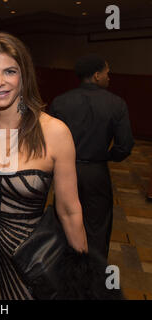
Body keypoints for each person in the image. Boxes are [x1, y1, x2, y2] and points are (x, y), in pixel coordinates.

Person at [0, 32, 88, 300]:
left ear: (24, 75)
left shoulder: (55, 132)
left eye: (9, 71)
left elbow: (69, 210)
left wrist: (82, 273)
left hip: (28, 263)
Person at [49, 54, 134, 260]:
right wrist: (105, 156)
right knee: (97, 227)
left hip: (64, 172)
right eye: (107, 73)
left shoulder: (60, 102)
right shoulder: (116, 103)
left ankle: (63, 273)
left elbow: (47, 142)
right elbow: (125, 146)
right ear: (97, 75)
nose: (109, 77)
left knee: (63, 221)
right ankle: (93, 277)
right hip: (97, 172)